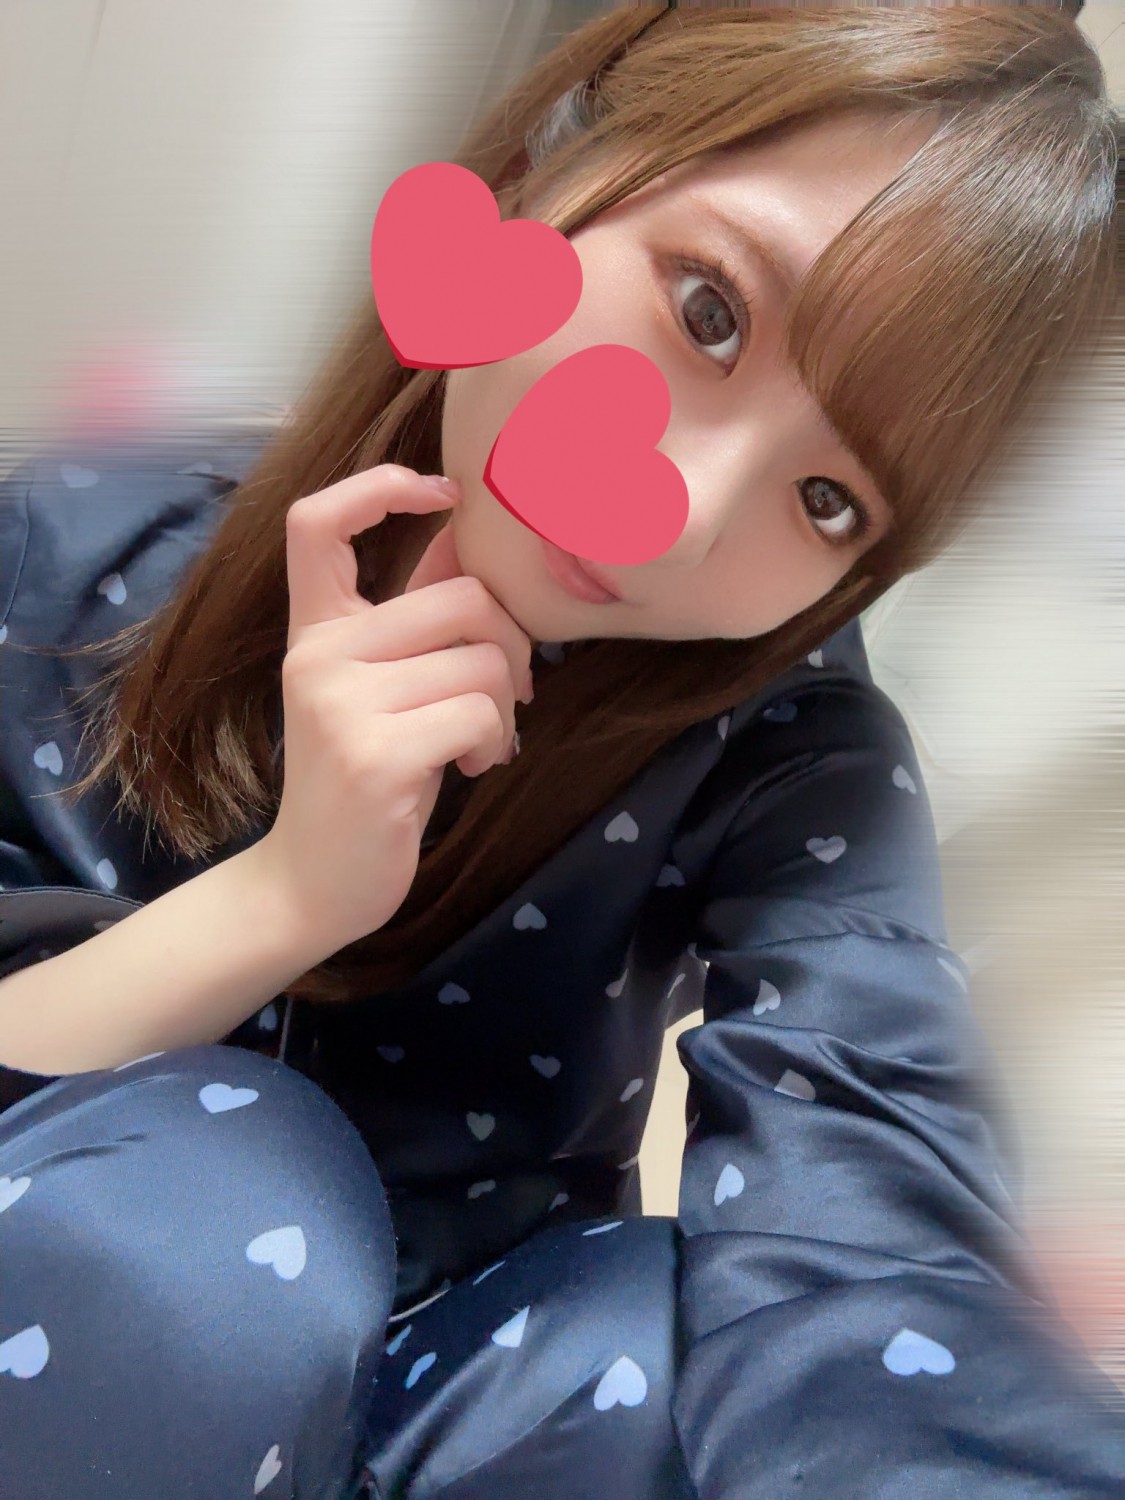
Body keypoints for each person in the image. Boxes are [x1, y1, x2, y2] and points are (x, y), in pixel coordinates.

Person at [0, 6, 1121, 1498]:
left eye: (831, 500)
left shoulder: (795, 754)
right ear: (549, 166)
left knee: (660, 1339)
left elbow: (869, 1207)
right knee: (211, 1226)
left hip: (455, 1400)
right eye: (709, 312)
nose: (690, 509)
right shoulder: (84, 546)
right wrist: (290, 893)